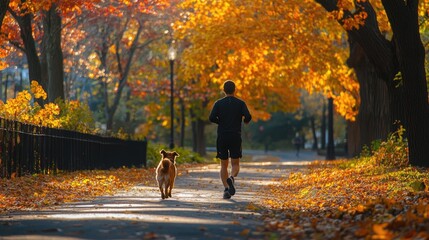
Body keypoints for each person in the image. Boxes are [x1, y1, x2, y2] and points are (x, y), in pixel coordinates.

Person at [209, 80, 252, 199]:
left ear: (224, 90)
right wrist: (245, 121)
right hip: (235, 135)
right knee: (235, 164)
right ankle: (231, 178)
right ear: (235, 90)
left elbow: (211, 117)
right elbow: (248, 116)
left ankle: (226, 189)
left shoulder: (218, 103)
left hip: (222, 136)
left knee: (223, 164)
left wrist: (221, 122)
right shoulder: (240, 103)